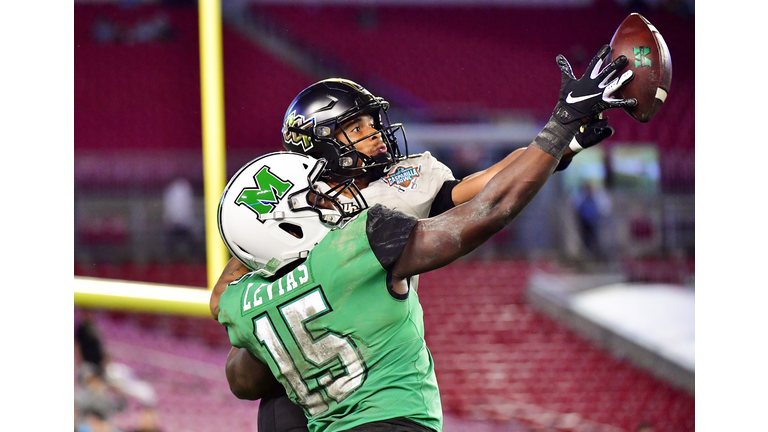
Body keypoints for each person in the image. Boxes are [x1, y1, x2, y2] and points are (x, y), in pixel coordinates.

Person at [210, 44, 635, 432]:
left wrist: (562, 146)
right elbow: (226, 307)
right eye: (354, 128)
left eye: (370, 121)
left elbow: (486, 188)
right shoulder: (286, 212)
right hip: (310, 388)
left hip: (368, 365)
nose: (375, 132)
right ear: (317, 143)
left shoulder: (404, 180)